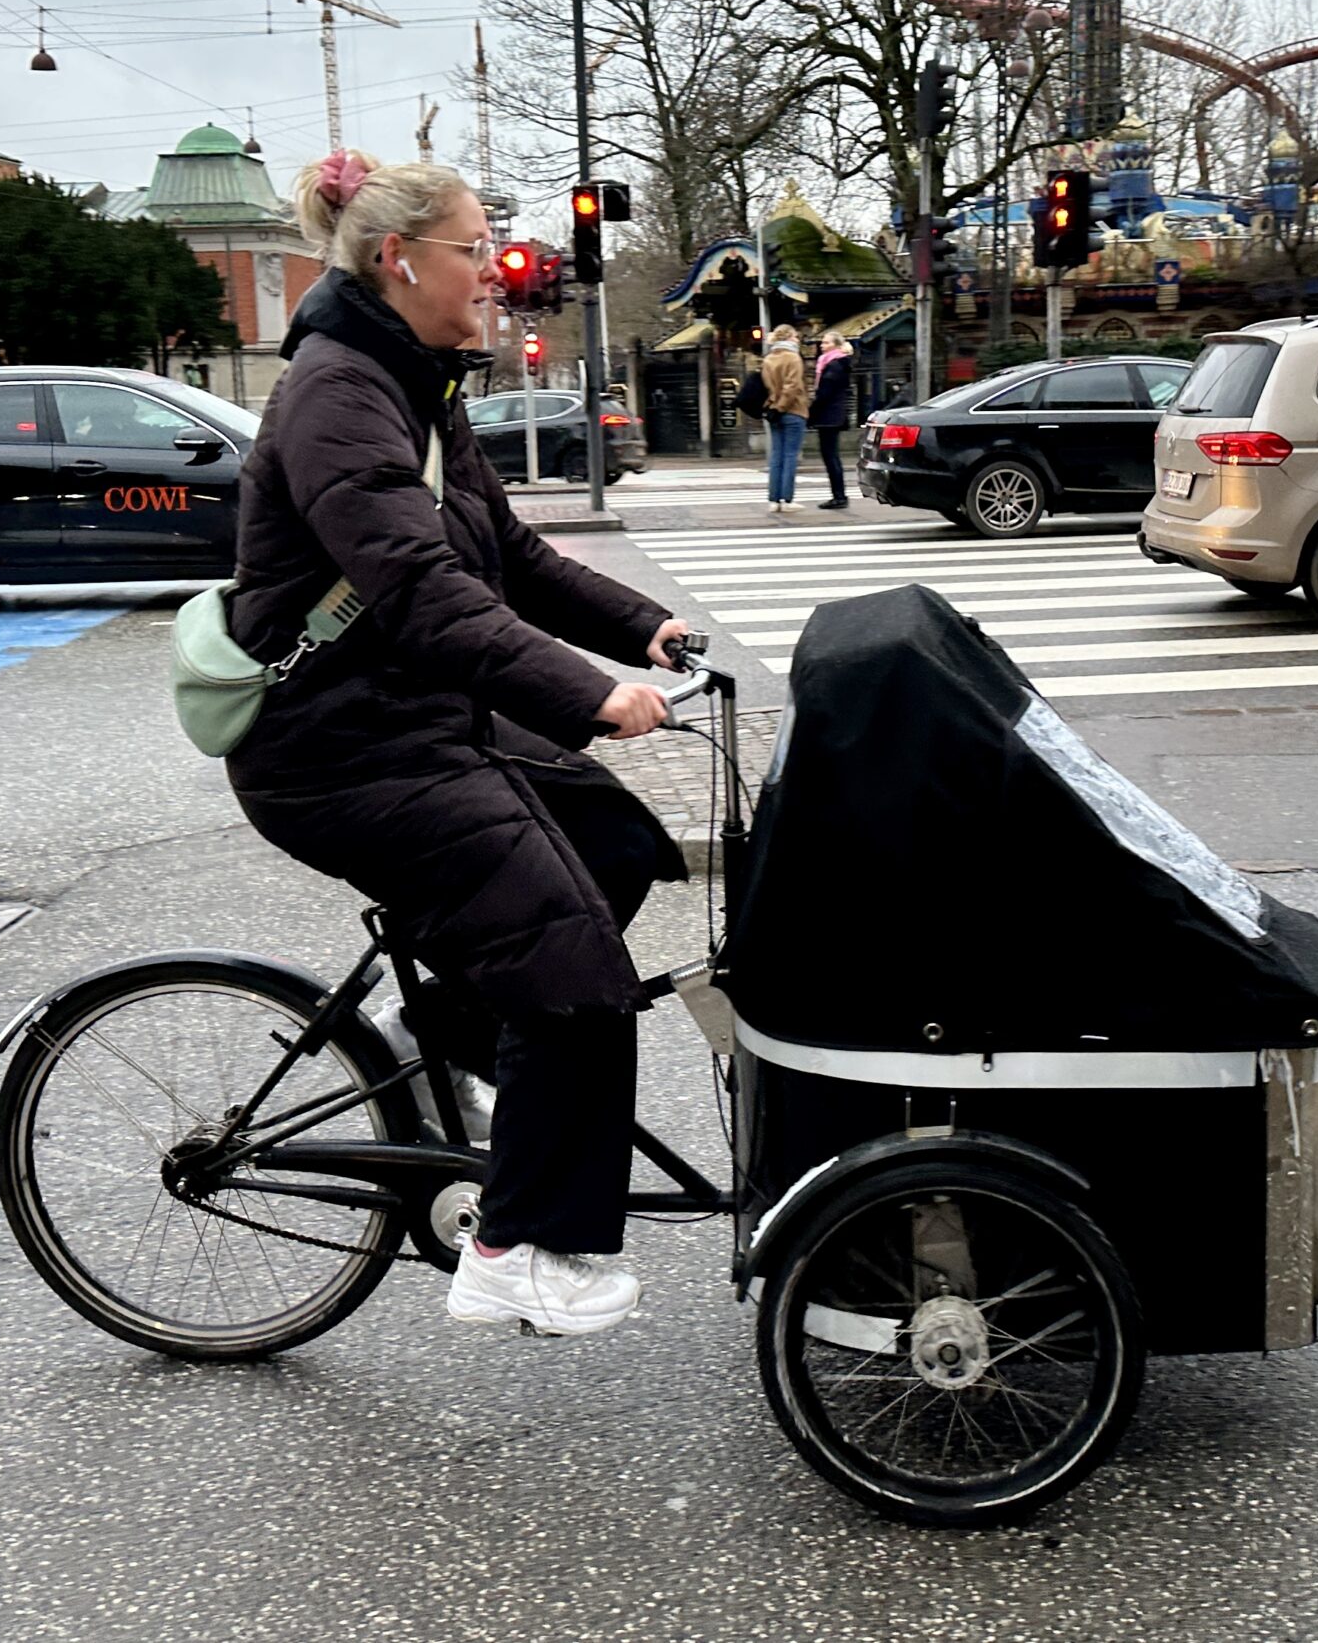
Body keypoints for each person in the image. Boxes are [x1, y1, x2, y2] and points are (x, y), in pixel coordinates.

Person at [225, 146, 692, 1338]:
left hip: (412, 716)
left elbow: (512, 559)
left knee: (620, 848)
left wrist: (645, 629)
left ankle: (433, 1035)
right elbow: (425, 595)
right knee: (580, 977)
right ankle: (516, 1248)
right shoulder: (338, 395)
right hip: (339, 748)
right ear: (398, 260)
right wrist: (587, 698)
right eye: (473, 249)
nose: (494, 270)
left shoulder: (416, 381)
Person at [760, 329, 810, 512]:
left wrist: (774, 406)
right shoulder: (793, 358)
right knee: (790, 456)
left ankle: (773, 500)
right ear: (788, 337)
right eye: (796, 336)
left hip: (772, 410)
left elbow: (767, 386)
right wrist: (782, 406)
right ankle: (787, 499)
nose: (797, 339)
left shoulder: (768, 359)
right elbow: (792, 386)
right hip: (793, 410)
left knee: (776, 456)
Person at [807, 333, 854, 510]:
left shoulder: (833, 366)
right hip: (833, 414)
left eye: (826, 342)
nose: (822, 345)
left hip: (830, 415)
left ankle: (839, 496)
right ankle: (839, 495)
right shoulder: (834, 363)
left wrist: (811, 414)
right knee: (831, 455)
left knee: (830, 456)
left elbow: (824, 394)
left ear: (836, 345)